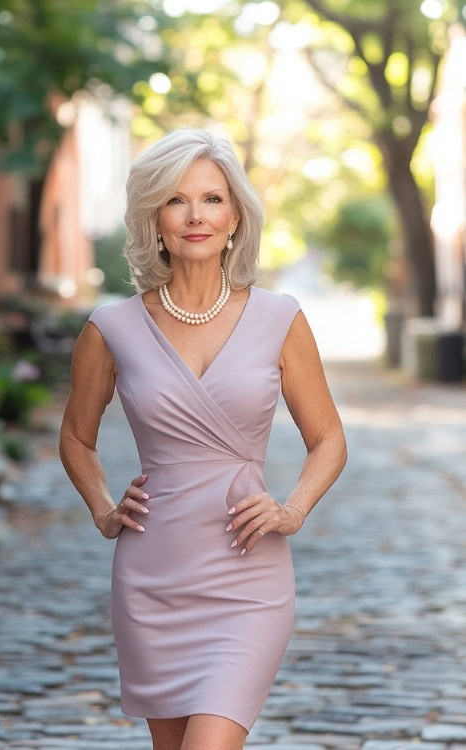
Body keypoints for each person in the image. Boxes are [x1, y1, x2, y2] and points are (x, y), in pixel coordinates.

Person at [58, 127, 347, 750]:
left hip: (248, 575)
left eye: (212, 199)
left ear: (236, 215)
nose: (196, 216)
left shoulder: (281, 318)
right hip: (152, 575)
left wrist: (293, 509)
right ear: (152, 218)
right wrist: (104, 510)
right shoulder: (110, 328)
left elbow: (328, 438)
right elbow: (76, 438)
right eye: (176, 199)